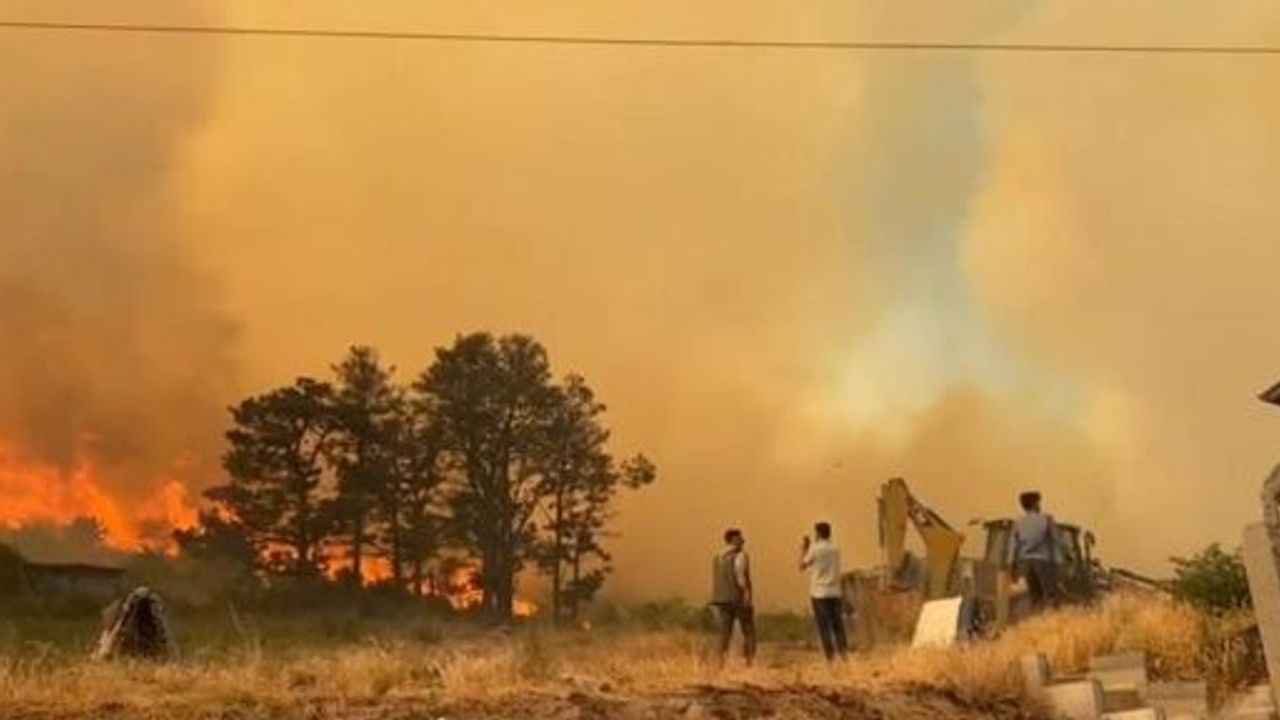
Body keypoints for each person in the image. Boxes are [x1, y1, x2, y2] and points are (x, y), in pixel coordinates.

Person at [799, 522, 848, 660]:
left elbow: (802, 565)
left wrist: (804, 549)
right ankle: (844, 655)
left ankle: (830, 657)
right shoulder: (836, 549)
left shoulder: (814, 549)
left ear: (818, 533)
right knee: (838, 625)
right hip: (835, 592)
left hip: (819, 593)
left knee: (824, 627)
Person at [710, 528, 755, 664]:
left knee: (724, 632)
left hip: (720, 598)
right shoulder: (741, 555)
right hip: (737, 597)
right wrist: (747, 594)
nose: (743, 540)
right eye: (740, 538)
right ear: (733, 540)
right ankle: (749, 661)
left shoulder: (717, 556)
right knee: (748, 629)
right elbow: (740, 576)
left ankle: (719, 661)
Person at [1013, 491, 1059, 610]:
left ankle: (1035, 622)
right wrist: (1068, 555)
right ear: (1034, 504)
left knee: (1034, 598)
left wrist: (1014, 566)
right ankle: (1050, 622)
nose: (1040, 505)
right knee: (1050, 596)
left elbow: (1015, 546)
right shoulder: (1046, 519)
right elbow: (1056, 539)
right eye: (1038, 502)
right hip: (1042, 561)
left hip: (1025, 563)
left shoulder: (1018, 522)